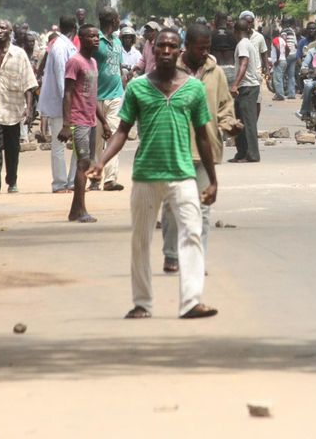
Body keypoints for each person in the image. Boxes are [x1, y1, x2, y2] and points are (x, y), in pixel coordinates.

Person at [91, 28, 219, 320]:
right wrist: (101, 161)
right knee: (140, 240)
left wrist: (212, 179)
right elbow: (122, 131)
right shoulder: (137, 87)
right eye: (161, 46)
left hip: (183, 173)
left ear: (180, 51)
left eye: (171, 47)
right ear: (153, 49)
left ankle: (191, 301)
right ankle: (142, 303)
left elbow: (202, 136)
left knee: (192, 234)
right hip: (146, 174)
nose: (165, 51)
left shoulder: (193, 89)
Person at [161, 24, 242, 273]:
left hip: (206, 148)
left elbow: (224, 106)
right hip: (176, 147)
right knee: (175, 206)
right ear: (187, 47)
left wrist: (230, 124)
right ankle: (172, 253)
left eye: (208, 48)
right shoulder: (170, 70)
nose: (205, 52)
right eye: (201, 48)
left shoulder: (215, 72)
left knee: (203, 209)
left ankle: (196, 258)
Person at [0, 20, 38, 194]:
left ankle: (12, 180)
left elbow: (28, 83)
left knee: (12, 148)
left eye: (3, 28)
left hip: (13, 109)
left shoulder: (19, 55)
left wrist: (29, 108)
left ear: (10, 31)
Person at [59, 24, 110, 222]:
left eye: (97, 36)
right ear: (81, 38)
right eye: (92, 37)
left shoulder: (93, 63)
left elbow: (92, 95)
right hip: (78, 120)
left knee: (86, 162)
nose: (96, 40)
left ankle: (75, 210)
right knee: (83, 163)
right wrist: (66, 124)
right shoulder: (75, 62)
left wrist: (103, 121)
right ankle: (80, 210)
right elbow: (68, 93)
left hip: (91, 119)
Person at [38, 15, 78, 193]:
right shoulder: (61, 48)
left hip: (66, 103)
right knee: (59, 145)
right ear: (75, 29)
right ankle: (60, 183)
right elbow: (64, 81)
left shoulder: (61, 45)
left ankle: (72, 181)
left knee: (78, 145)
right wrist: (69, 106)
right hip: (62, 104)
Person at [91, 6, 127, 192]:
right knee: (96, 141)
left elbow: (118, 66)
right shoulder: (95, 39)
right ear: (112, 20)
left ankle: (110, 179)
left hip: (115, 96)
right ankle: (95, 178)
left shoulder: (117, 41)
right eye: (118, 17)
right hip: (96, 98)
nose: (120, 19)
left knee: (113, 137)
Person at [230, 19, 262, 163]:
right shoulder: (247, 43)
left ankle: (252, 154)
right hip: (246, 86)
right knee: (240, 120)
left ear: (236, 31)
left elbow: (244, 63)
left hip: (248, 87)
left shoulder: (243, 44)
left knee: (248, 122)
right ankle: (241, 153)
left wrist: (235, 84)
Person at [270, 30, 289, 101]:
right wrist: (284, 56)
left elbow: (278, 48)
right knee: (280, 78)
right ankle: (279, 94)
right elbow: (288, 49)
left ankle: (280, 95)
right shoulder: (283, 40)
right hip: (283, 60)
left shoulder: (275, 39)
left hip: (279, 61)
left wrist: (277, 59)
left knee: (277, 79)